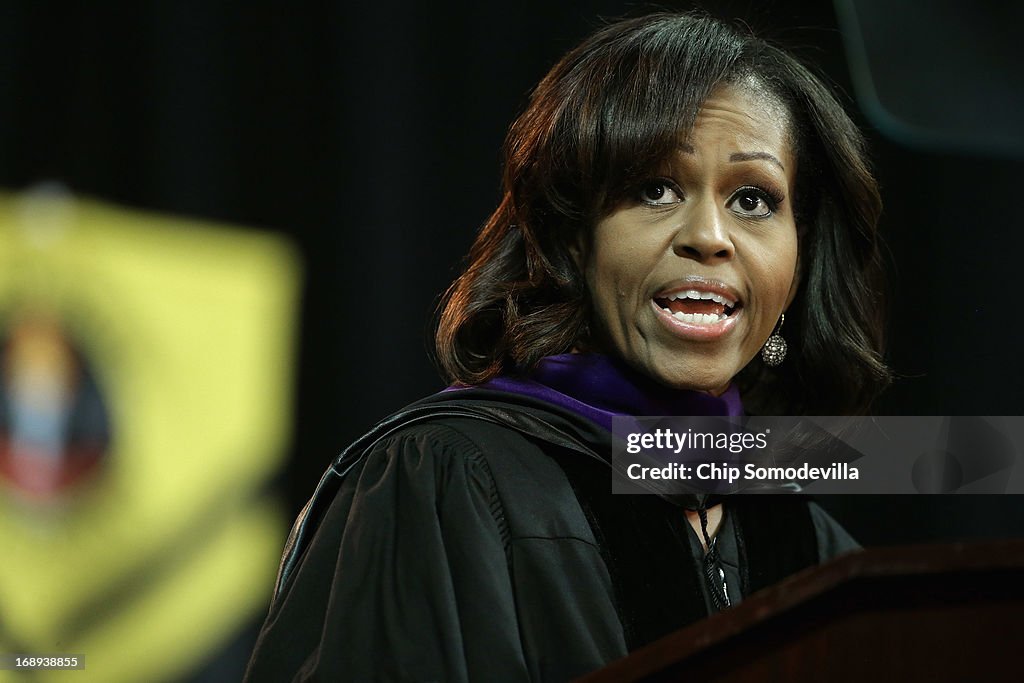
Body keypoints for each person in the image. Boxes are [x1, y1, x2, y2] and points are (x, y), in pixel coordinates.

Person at [245, 11, 889, 682]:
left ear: (800, 253)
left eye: (753, 199)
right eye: (655, 188)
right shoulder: (443, 479)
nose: (710, 235)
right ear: (571, 238)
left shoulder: (805, 541)